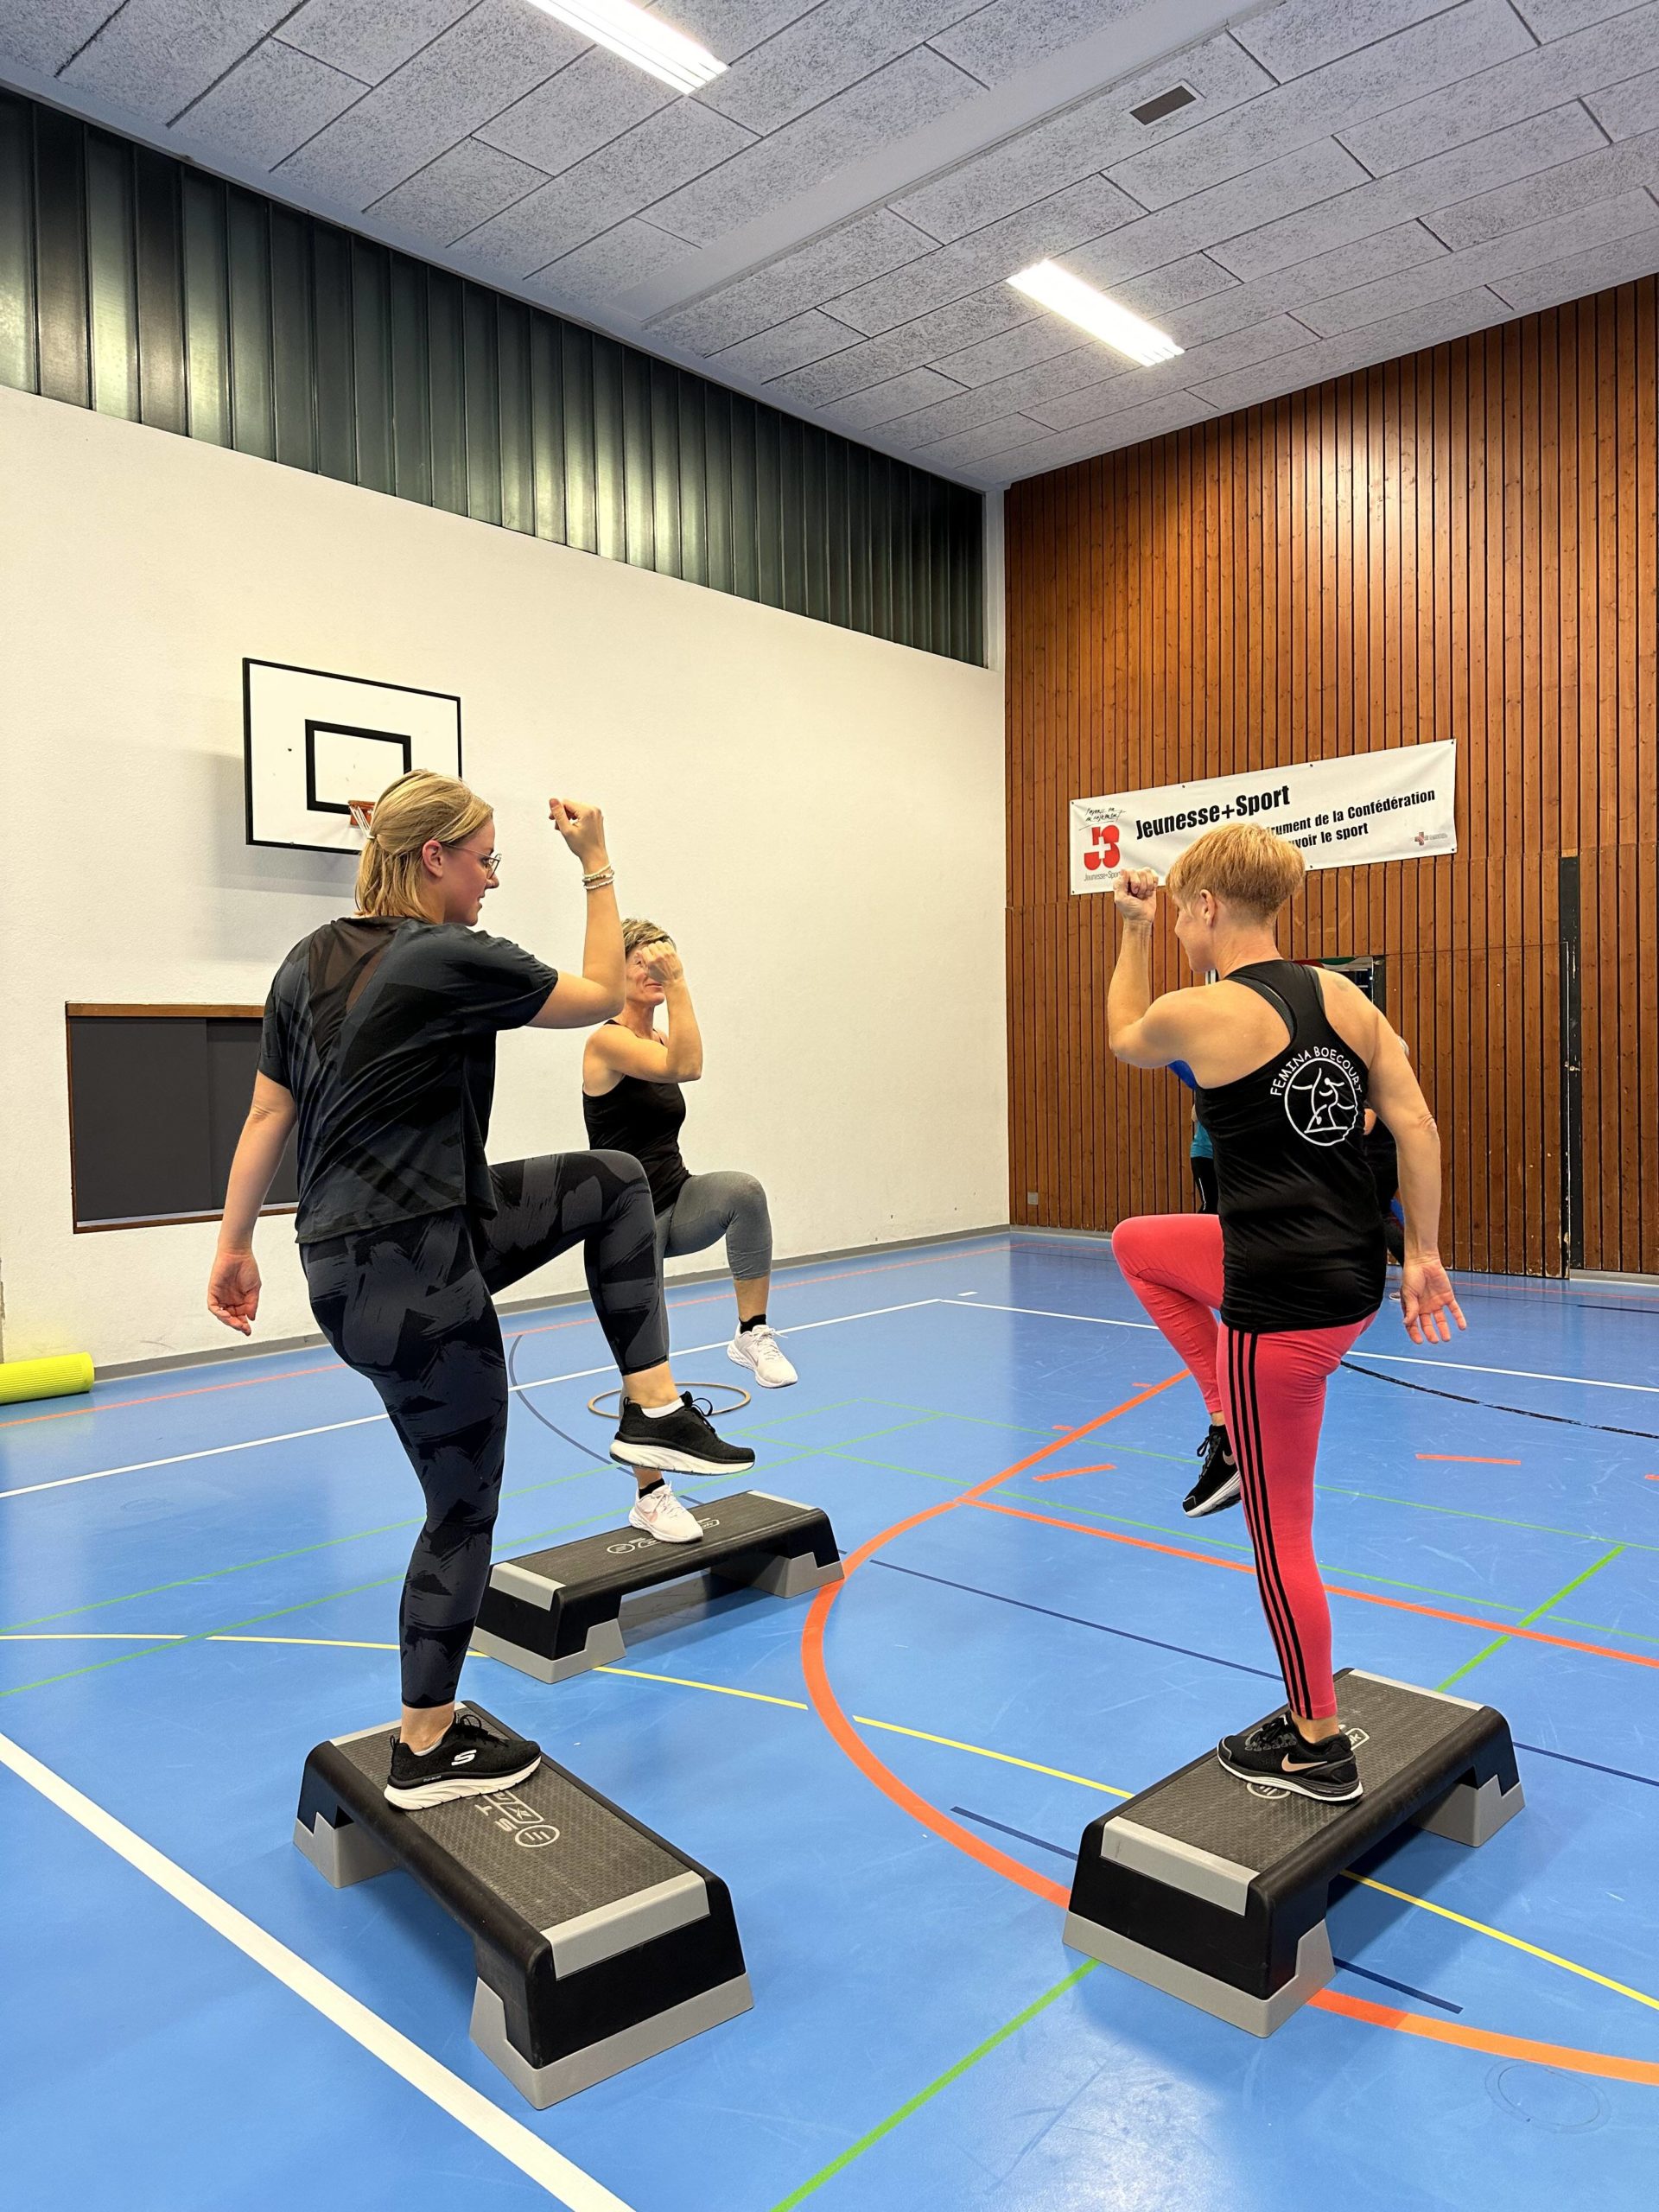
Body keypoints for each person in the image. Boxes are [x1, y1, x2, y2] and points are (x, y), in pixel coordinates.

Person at [206, 772, 754, 1811]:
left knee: (613, 1182)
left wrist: (234, 1245)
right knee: (461, 1511)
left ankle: (654, 1412)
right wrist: (595, 860)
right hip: (417, 1274)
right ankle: (425, 1744)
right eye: (486, 858)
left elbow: (268, 1113)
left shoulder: (306, 958)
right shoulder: (445, 955)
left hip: (358, 1257)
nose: (495, 876)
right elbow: (598, 992)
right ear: (434, 861)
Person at [1104, 824, 1464, 1803]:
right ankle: (1225, 1418)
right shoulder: (1340, 995)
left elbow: (1123, 1034)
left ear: (1208, 909)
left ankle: (1316, 1739)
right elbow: (1417, 1121)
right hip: (1348, 1277)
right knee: (1140, 1244)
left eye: (1179, 910)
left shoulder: (1199, 1011)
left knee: (1279, 1537)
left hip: (1279, 1304)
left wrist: (1129, 931)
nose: (1178, 925)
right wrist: (1423, 1253)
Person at [582, 919, 796, 1389]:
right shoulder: (606, 1041)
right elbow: (689, 1067)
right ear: (616, 973)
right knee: (646, 1367)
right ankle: (647, 1460)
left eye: (661, 961)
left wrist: (673, 983)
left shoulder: (660, 1041)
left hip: (675, 1202)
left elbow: (681, 1057)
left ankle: (750, 1332)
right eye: (640, 961)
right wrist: (678, 983)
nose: (653, 970)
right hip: (626, 1222)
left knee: (743, 1192)